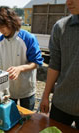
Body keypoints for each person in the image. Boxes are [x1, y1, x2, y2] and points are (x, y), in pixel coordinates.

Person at [0, 6, 43, 110]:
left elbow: (36, 62)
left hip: (26, 88)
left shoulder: (28, 38)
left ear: (11, 22)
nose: (0, 31)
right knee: (11, 117)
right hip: (8, 88)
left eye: (2, 27)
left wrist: (20, 68)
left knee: (28, 118)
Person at [40, 0, 79, 129]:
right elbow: (54, 64)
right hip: (62, 103)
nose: (68, 2)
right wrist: (45, 96)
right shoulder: (61, 27)